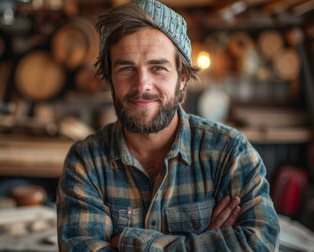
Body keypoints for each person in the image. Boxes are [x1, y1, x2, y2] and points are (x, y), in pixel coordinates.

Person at [56, 0, 280, 251]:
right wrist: (206, 242)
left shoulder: (230, 152)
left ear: (182, 78)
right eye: (127, 68)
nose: (142, 85)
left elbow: (259, 244)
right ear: (110, 79)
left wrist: (128, 243)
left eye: (158, 68)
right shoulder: (86, 161)